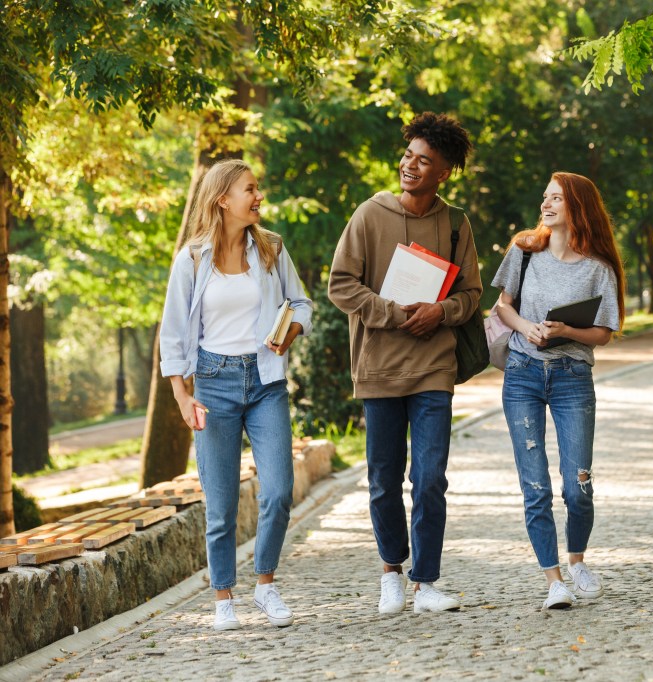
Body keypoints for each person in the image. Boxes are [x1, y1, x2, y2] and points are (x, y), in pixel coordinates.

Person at [327, 112, 480, 615]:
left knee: (431, 477)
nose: (410, 166)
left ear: (444, 172)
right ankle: (391, 569)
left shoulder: (456, 223)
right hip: (379, 368)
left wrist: (441, 310)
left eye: (424, 161)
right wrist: (393, 315)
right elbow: (342, 285)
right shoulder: (368, 215)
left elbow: (472, 295)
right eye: (408, 156)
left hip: (434, 367)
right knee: (383, 478)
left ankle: (426, 583)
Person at [159, 159, 312, 630]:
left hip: (265, 382)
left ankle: (265, 585)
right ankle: (223, 596)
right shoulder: (191, 259)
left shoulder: (271, 248)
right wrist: (183, 397)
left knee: (280, 490)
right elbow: (173, 333)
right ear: (223, 198)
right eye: (251, 189)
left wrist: (289, 333)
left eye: (258, 188)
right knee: (221, 502)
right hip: (213, 384)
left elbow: (302, 302)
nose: (259, 196)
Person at [491, 172, 625, 610]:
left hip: (572, 377)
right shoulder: (524, 251)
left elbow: (604, 333)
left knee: (577, 485)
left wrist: (566, 329)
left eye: (556, 198)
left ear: (577, 207)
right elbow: (502, 307)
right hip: (523, 373)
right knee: (535, 486)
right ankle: (553, 579)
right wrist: (527, 327)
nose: (546, 204)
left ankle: (578, 561)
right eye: (544, 196)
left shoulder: (598, 268)